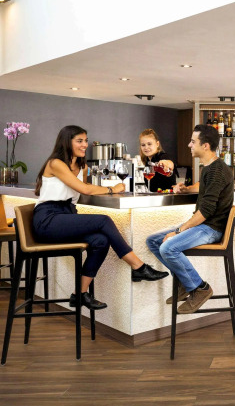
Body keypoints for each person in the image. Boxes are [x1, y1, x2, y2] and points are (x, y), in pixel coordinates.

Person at [33, 125, 169, 310]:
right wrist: (113, 188)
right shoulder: (55, 163)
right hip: (48, 219)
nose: (84, 145)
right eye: (79, 141)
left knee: (100, 241)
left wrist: (107, 189)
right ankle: (138, 266)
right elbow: (85, 189)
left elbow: (86, 190)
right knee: (103, 220)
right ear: (66, 142)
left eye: (86, 141)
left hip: (67, 215)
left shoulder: (82, 167)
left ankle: (80, 294)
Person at [146, 124, 234, 314]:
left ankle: (200, 288)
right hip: (205, 225)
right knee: (153, 241)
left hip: (211, 228)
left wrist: (179, 231)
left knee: (168, 247)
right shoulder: (210, 168)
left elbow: (206, 211)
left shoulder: (217, 170)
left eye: (193, 142)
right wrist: (187, 189)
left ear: (205, 146)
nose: (189, 145)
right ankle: (184, 283)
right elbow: (204, 186)